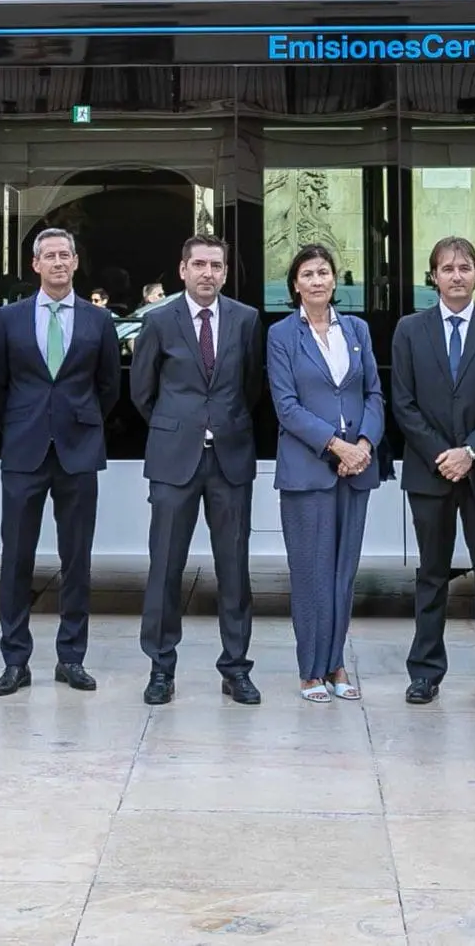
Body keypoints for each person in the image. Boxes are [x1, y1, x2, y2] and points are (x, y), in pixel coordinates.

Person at [0, 227, 122, 695]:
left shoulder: (99, 320)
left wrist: (79, 421)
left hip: (78, 451)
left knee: (77, 559)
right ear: (35, 264)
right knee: (15, 559)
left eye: (66, 254)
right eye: (50, 255)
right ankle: (15, 661)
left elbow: (109, 386)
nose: (59, 262)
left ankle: (71, 657)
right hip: (24, 451)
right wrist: (22, 425)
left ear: (76, 262)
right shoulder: (9, 318)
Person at [392, 235, 475, 706]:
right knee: (431, 575)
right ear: (433, 276)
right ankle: (425, 672)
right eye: (447, 268)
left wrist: (470, 452)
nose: (456, 276)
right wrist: (442, 455)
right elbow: (403, 404)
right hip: (429, 473)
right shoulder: (409, 330)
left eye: (464, 268)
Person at [130, 233, 265, 706]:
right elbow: (142, 391)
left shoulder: (246, 320)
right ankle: (160, 668)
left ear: (225, 273)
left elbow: (252, 386)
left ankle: (236, 668)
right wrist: (181, 427)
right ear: (183, 270)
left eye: (216, 265)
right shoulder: (158, 320)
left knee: (234, 569)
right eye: (200, 264)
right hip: (174, 460)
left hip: (230, 458)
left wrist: (219, 424)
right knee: (166, 567)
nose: (208, 273)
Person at [267, 243, 386, 702]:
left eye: (323, 272)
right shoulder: (281, 335)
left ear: (335, 280)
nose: (317, 281)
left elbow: (374, 393)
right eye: (308, 274)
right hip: (308, 470)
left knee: (343, 573)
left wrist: (363, 445)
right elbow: (286, 406)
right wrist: (336, 446)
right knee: (311, 574)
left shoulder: (356, 329)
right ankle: (310, 671)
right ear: (295, 285)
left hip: (356, 470)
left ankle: (336, 664)